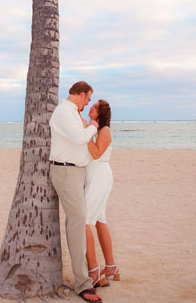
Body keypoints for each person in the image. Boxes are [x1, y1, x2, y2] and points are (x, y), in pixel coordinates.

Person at [49, 81, 102, 303]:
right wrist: (93, 125)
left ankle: (86, 277)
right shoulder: (64, 111)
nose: (88, 102)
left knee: (79, 222)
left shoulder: (72, 112)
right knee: (77, 222)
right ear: (81, 94)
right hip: (66, 171)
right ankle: (82, 283)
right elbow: (80, 138)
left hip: (76, 171)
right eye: (88, 98)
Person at [84, 100, 120, 288]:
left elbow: (96, 154)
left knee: (84, 221)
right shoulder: (96, 129)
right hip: (93, 177)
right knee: (99, 220)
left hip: (100, 177)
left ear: (101, 113)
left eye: (95, 107)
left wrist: (87, 133)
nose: (91, 107)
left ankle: (95, 269)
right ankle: (111, 266)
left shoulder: (104, 131)